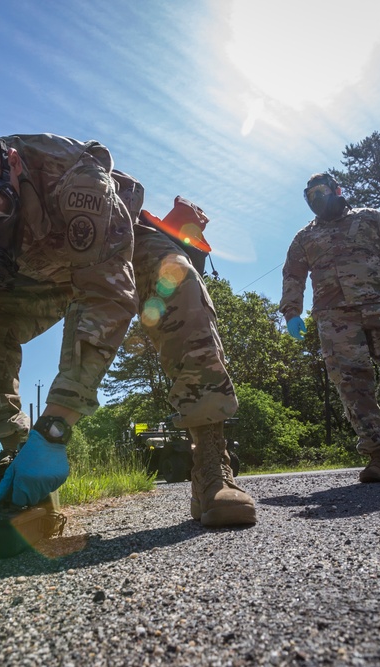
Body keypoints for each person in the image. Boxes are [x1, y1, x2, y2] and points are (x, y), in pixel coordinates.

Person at [0, 111, 254, 527]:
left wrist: (56, 426)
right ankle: (18, 463)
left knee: (177, 278)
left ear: (14, 165)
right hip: (35, 279)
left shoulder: (74, 178)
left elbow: (106, 297)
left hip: (110, 251)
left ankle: (210, 465)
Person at [279, 173, 380, 483]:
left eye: (321, 192)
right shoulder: (304, 238)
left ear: (338, 190)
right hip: (335, 319)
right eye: (310, 197)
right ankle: (378, 456)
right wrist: (292, 311)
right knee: (352, 384)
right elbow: (293, 276)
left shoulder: (370, 218)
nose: (317, 200)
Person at [123, 189, 256, 527]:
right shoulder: (148, 241)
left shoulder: (164, 260)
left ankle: (212, 470)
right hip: (63, 240)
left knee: (183, 286)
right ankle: (0, 465)